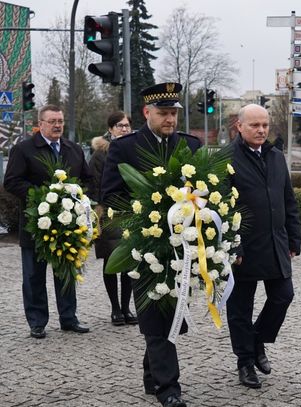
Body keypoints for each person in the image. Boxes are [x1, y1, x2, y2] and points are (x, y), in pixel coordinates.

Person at [101, 83, 201, 407]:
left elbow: (204, 190)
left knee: (170, 313)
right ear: (147, 113)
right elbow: (111, 196)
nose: (170, 119)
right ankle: (168, 389)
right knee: (153, 315)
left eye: (174, 113)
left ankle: (151, 374)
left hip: (181, 246)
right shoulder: (125, 148)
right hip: (145, 247)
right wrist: (145, 215)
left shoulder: (190, 145)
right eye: (163, 113)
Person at [227, 104, 301, 388]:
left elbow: (288, 200)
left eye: (265, 125)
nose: (261, 130)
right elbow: (223, 209)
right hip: (243, 250)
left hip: (275, 243)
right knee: (240, 310)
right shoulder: (227, 158)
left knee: (283, 295)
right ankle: (245, 362)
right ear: (239, 126)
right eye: (254, 125)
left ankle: (258, 341)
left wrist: (294, 238)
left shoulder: (275, 156)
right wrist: (234, 247)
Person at [3, 104, 92, 339]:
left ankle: (69, 318)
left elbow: (87, 179)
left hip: (68, 223)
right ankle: (37, 322)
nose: (57, 125)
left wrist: (76, 194)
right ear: (40, 124)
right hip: (36, 223)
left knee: (66, 272)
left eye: (60, 121)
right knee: (33, 275)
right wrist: (42, 196)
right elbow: (12, 181)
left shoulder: (73, 149)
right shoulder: (23, 149)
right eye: (52, 121)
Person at [88, 111, 137, 326]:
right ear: (110, 129)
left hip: (132, 212)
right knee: (111, 260)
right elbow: (95, 185)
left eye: (127, 125)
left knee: (129, 261)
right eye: (119, 125)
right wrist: (97, 214)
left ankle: (126, 308)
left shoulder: (134, 149)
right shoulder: (100, 154)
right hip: (109, 213)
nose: (124, 129)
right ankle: (115, 309)